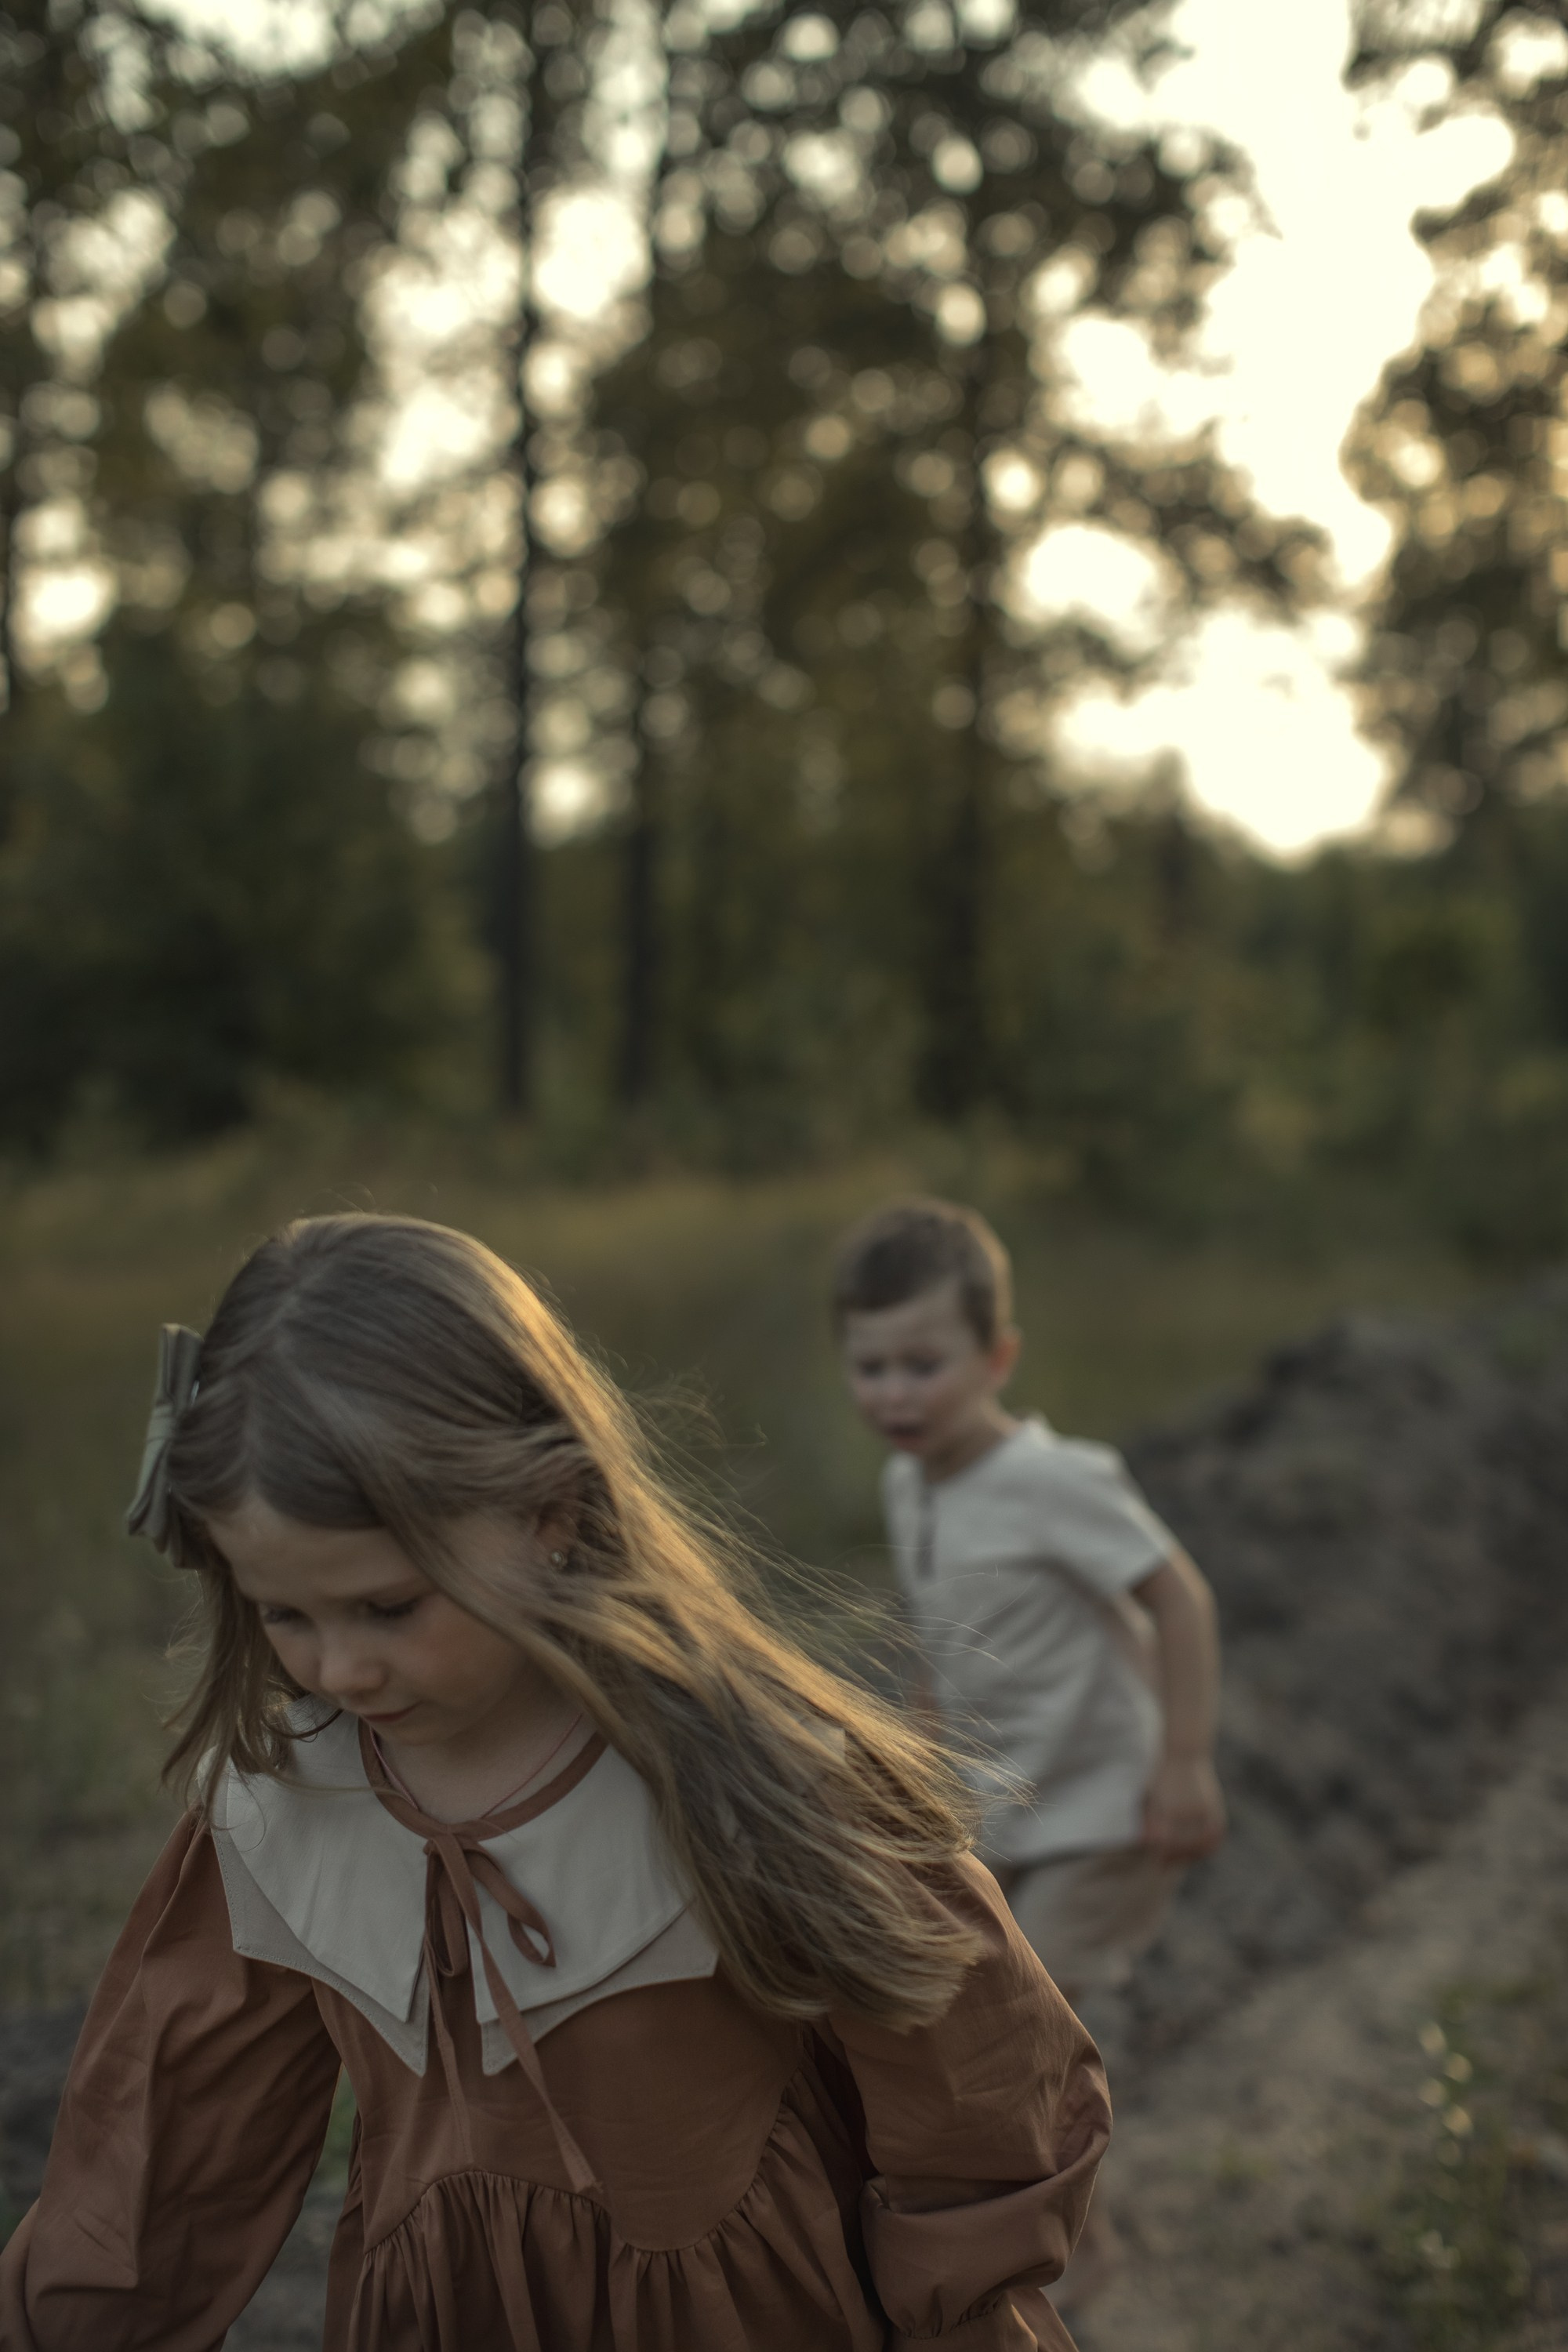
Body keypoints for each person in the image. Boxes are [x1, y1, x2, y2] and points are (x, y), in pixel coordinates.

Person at [0, 1212, 1109, 2352]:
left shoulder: (746, 1777)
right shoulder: (281, 1814)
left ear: (553, 1515)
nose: (340, 1667)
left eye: (389, 1607)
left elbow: (967, 2089)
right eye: (285, 1614)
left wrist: (963, 2319)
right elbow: (156, 2169)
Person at [833, 1197, 1227, 2307]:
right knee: (975, 2032)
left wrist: (1185, 1760)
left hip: (1107, 1812)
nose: (896, 1394)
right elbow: (942, 1639)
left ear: (997, 1357)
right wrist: (920, 1771)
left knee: (1021, 2041)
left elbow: (1179, 1599)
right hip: (1001, 1812)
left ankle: (1073, 2265)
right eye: (871, 1368)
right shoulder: (908, 1483)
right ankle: (1060, 2234)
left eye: (924, 1365)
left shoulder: (1057, 1481)